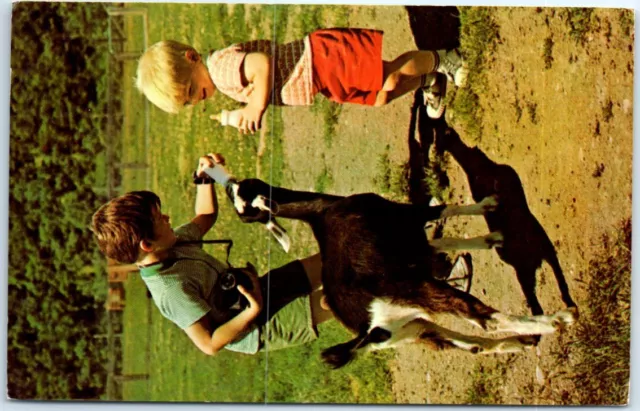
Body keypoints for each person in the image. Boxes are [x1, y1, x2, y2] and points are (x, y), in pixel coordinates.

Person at [91, 153, 332, 355]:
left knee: (331, 260)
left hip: (258, 289)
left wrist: (204, 180)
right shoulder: (170, 289)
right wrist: (253, 311)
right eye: (159, 219)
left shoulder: (173, 244)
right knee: (336, 301)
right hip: (257, 326)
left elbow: (205, 216)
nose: (168, 218)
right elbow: (208, 344)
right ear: (147, 245)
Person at [135, 28, 468, 131]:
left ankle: (445, 59)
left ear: (191, 58)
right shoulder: (219, 76)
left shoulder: (221, 70)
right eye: (189, 101)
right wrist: (237, 114)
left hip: (321, 60)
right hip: (320, 80)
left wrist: (254, 109)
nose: (197, 98)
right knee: (380, 96)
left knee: (389, 79)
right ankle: (429, 81)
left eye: (191, 90)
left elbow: (262, 65)